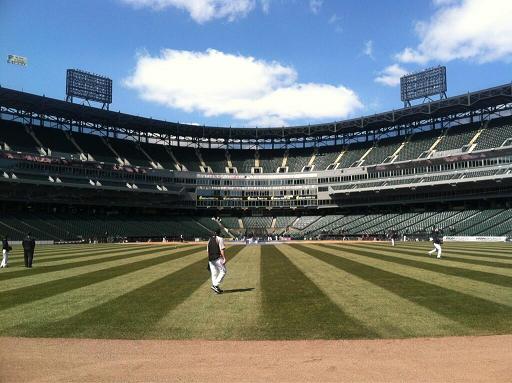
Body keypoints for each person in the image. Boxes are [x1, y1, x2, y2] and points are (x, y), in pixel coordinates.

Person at [207, 229, 226, 294]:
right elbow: (222, 249)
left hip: (210, 259)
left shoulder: (209, 240)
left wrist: (209, 260)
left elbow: (208, 251)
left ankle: (216, 288)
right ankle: (215, 285)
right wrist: (224, 258)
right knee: (223, 271)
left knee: (214, 273)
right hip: (217, 258)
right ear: (219, 233)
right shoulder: (220, 239)